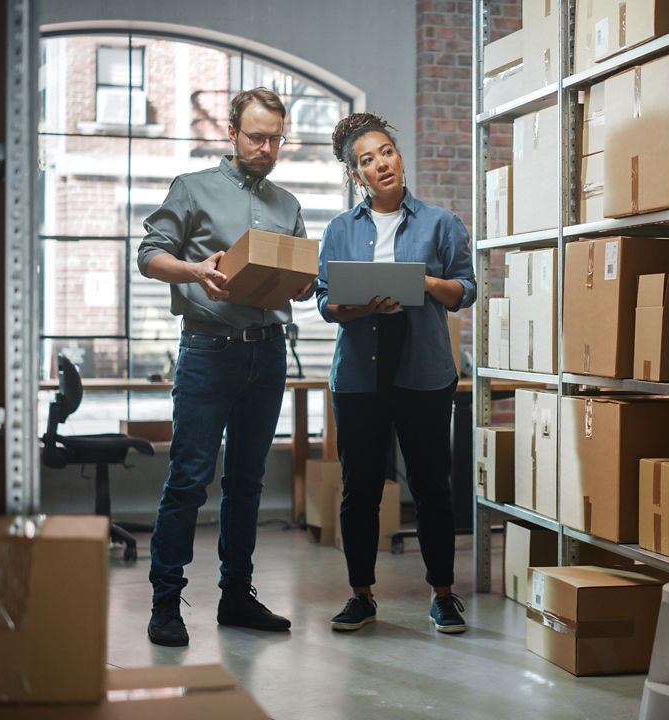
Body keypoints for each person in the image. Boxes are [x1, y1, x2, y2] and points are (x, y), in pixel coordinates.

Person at [137, 87, 312, 647]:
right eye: (256, 137)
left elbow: (304, 278)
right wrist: (195, 271)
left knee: (247, 482)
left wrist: (306, 285)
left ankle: (237, 594)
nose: (266, 148)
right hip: (208, 352)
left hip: (267, 352)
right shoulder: (192, 189)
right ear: (231, 134)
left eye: (275, 138)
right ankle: (166, 602)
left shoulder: (288, 205)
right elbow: (148, 256)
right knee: (189, 477)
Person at [316, 112, 476, 634]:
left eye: (386, 151)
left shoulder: (440, 223)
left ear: (399, 157)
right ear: (354, 174)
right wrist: (354, 308)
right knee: (359, 488)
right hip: (359, 374)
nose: (380, 163)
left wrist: (425, 282)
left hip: (424, 371)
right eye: (366, 160)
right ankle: (360, 595)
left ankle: (445, 594)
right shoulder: (339, 230)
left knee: (432, 485)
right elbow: (324, 300)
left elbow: (464, 290)